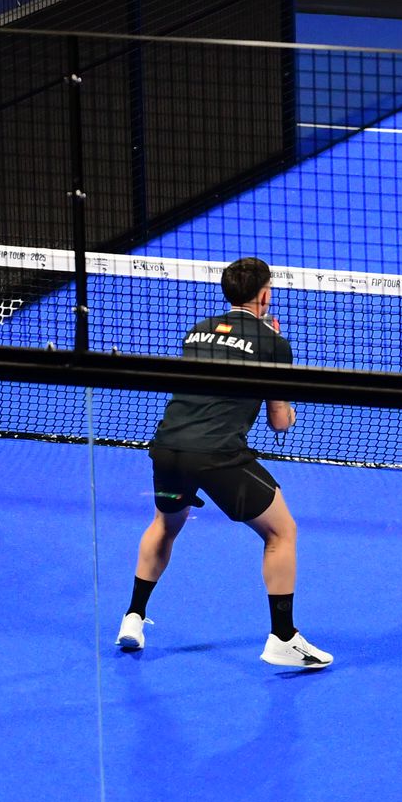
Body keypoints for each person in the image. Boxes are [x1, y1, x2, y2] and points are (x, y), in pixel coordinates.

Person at [116, 257, 333, 669]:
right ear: (265, 294)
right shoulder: (273, 343)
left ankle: (133, 616)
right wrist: (279, 371)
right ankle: (283, 638)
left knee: (165, 524)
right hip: (216, 454)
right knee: (281, 532)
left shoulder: (197, 331)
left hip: (167, 447)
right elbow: (279, 421)